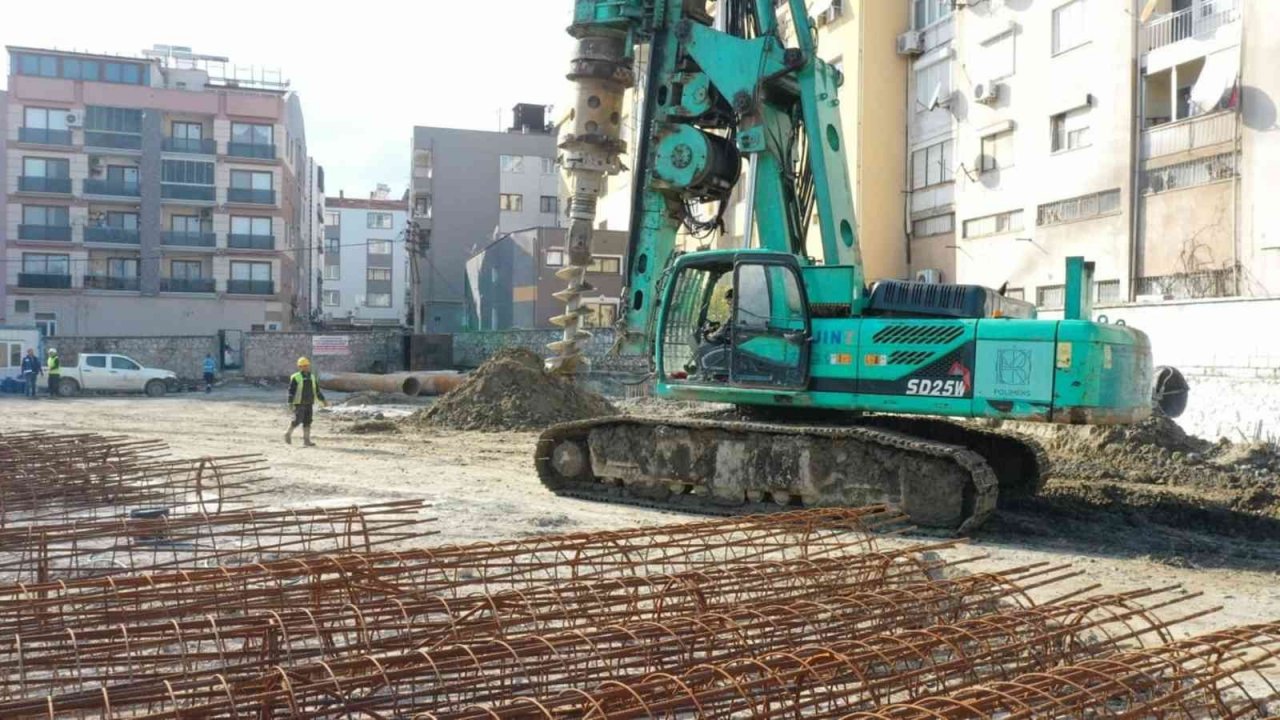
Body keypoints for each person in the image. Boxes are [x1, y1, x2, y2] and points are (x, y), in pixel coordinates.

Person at [286, 357, 326, 446]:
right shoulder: (296, 377)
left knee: (308, 421)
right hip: (299, 402)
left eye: (306, 366)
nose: (305, 367)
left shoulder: (312, 376)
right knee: (298, 420)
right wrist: (290, 402)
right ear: (299, 367)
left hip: (309, 402)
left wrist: (323, 400)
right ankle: (288, 433)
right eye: (303, 366)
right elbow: (291, 391)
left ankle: (306, 441)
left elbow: (317, 390)